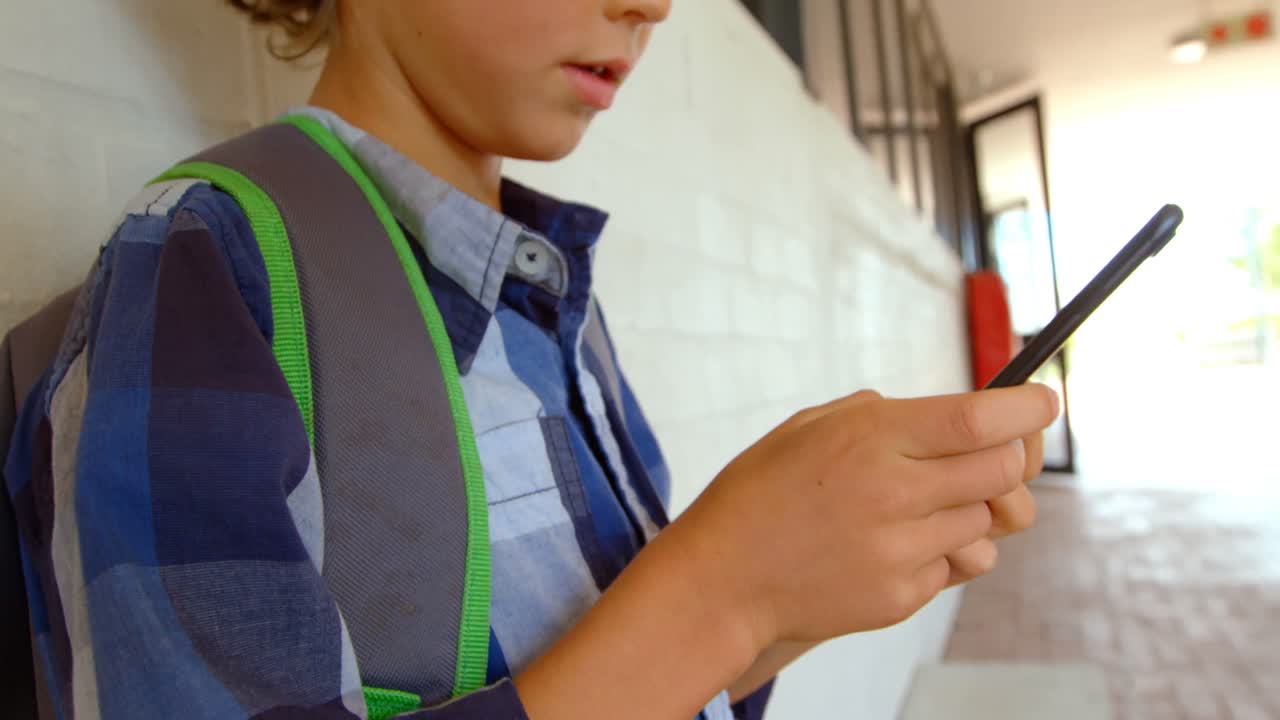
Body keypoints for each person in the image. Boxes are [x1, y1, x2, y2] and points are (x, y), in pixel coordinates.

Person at [3, 1, 1058, 718]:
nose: (650, 5)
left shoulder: (543, 294)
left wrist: (791, 597)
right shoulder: (210, 264)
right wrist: (723, 592)